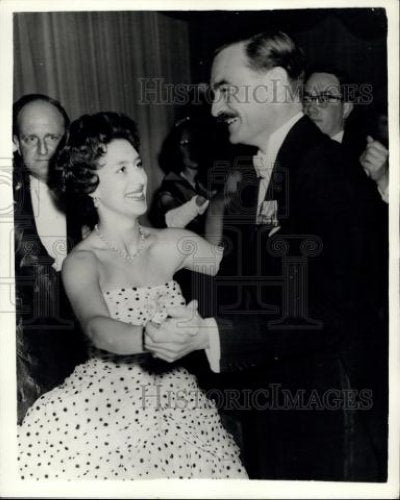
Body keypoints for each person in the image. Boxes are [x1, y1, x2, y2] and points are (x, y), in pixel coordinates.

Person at [144, 32, 388, 481]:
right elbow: (253, 286)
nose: (216, 109)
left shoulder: (327, 171)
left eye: (225, 90)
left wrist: (211, 335)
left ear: (274, 83)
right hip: (287, 407)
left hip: (333, 415)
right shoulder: (264, 173)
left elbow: (334, 310)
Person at [17, 111, 248, 480]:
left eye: (138, 164)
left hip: (177, 403)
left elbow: (238, 271)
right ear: (90, 184)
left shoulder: (174, 243)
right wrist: (147, 335)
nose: (140, 177)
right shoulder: (83, 260)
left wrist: (222, 202)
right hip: (105, 409)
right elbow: (97, 327)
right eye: (121, 169)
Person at [13, 94, 87, 423]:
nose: (43, 150)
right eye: (31, 138)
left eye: (52, 138)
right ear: (15, 142)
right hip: (29, 365)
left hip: (90, 353)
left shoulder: (93, 192)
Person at [303, 69, 389, 202]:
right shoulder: (291, 150)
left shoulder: (368, 157)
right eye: (307, 98)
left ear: (346, 109)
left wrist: (383, 179)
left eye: (323, 98)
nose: (310, 108)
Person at [150, 116, 212, 234]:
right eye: (186, 144)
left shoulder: (210, 180)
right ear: (176, 149)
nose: (193, 149)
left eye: (197, 142)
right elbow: (173, 221)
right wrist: (203, 198)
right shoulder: (168, 189)